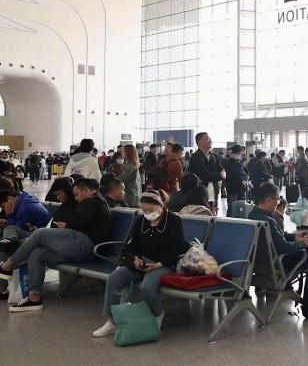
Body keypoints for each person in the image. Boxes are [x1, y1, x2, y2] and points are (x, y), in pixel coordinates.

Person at [0, 178, 111, 311]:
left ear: (86, 190)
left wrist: (67, 225)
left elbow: (82, 222)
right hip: (80, 247)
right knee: (38, 253)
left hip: (86, 245)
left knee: (40, 234)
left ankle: (7, 266)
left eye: (76, 194)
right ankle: (34, 298)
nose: (75, 198)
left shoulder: (94, 201)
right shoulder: (91, 203)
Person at [92, 190, 189, 337]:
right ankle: (112, 321)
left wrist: (158, 264)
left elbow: (177, 248)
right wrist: (135, 258)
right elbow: (132, 245)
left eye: (150, 210)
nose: (148, 214)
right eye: (144, 210)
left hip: (163, 264)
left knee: (147, 287)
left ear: (160, 205)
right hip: (142, 262)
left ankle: (157, 314)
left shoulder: (173, 221)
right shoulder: (141, 221)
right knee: (114, 279)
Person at [0, 189, 51, 295]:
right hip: (31, 236)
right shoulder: (23, 202)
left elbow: (18, 226)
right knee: (8, 234)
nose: (4, 209)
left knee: (5, 251)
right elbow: (15, 226)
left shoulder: (26, 208)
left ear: (10, 198)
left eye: (4, 206)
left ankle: (2, 290)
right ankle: (9, 242)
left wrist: (9, 216)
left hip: (42, 239)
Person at [188, 132, 224, 209]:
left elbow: (221, 170)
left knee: (213, 213)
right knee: (202, 213)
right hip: (200, 194)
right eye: (207, 138)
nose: (210, 140)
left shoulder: (215, 156)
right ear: (199, 142)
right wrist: (220, 176)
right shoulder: (195, 157)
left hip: (214, 192)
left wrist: (221, 174)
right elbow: (204, 175)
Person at [223, 145, 251, 210]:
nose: (241, 156)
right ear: (234, 153)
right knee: (233, 208)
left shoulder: (237, 163)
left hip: (238, 189)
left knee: (238, 208)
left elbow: (243, 174)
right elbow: (234, 176)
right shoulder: (231, 163)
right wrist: (244, 179)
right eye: (240, 154)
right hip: (233, 189)